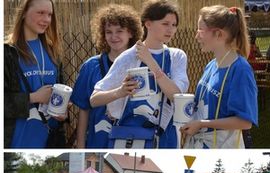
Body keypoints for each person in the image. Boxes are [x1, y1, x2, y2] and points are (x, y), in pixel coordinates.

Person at [90, 0, 188, 148]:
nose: (171, 29)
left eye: (174, 25)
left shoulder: (176, 56)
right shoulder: (128, 57)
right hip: (132, 138)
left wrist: (151, 63)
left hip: (166, 137)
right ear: (148, 24)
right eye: (165, 24)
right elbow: (94, 99)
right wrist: (120, 91)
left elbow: (176, 96)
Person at [182, 5, 258, 149]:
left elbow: (244, 122)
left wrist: (202, 124)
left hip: (222, 147)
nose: (196, 36)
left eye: (200, 30)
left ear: (218, 34)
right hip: (200, 144)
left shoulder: (240, 69)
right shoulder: (212, 65)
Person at [72, 4, 141, 148]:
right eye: (108, 32)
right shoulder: (91, 66)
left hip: (131, 139)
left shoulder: (141, 64)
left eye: (119, 31)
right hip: (98, 138)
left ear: (131, 33)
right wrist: (80, 145)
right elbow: (84, 109)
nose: (114, 36)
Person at [4, 0, 67, 148]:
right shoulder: (7, 52)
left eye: (49, 15)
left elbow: (61, 90)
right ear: (24, 13)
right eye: (40, 13)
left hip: (50, 141)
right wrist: (33, 97)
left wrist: (62, 111)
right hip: (16, 142)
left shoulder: (53, 52)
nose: (46, 20)